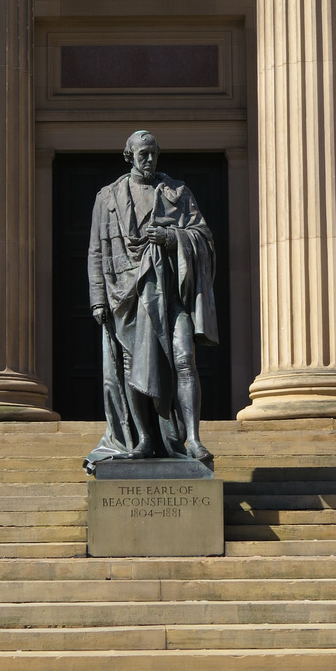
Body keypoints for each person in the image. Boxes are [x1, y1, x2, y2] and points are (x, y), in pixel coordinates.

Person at [84, 130, 218, 473]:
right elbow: (96, 252)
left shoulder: (178, 192)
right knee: (132, 369)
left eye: (154, 153)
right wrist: (98, 299)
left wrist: (172, 238)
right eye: (143, 154)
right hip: (124, 295)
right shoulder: (108, 197)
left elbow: (203, 237)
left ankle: (192, 438)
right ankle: (143, 438)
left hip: (171, 292)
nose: (149, 159)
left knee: (185, 358)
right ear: (129, 155)